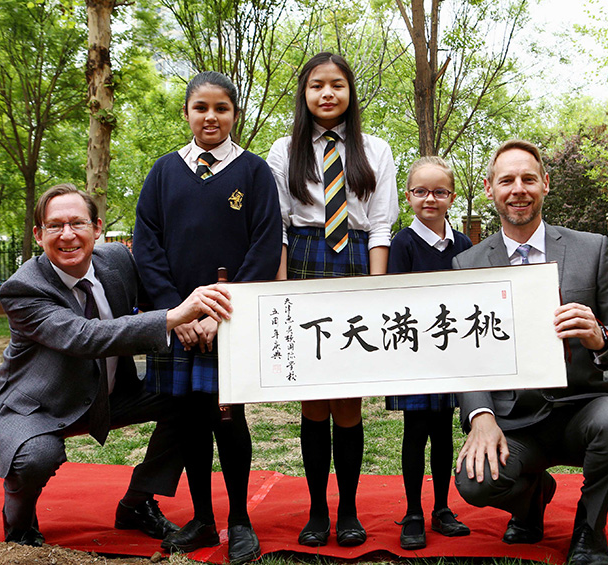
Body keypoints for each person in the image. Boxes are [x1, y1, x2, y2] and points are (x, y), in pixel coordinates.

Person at [0, 184, 233, 547]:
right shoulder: (23, 288)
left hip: (113, 394)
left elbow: (160, 296)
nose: (67, 235)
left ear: (97, 228)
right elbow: (84, 337)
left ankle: (136, 503)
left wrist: (197, 315)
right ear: (38, 235)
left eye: (77, 223)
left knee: (191, 396)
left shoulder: (117, 260)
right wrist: (176, 315)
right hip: (38, 405)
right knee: (36, 458)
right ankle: (18, 521)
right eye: (54, 226)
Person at [452, 139, 608, 565]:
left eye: (527, 178)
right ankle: (532, 503)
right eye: (506, 180)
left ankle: (589, 531)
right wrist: (480, 418)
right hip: (513, 419)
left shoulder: (590, 249)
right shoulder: (467, 265)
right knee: (474, 479)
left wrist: (600, 337)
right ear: (490, 189)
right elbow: (464, 357)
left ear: (545, 183)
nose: (517, 189)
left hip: (583, 406)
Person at [133, 71, 281, 564]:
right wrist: (179, 313)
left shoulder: (254, 172)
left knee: (229, 420)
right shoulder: (162, 172)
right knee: (190, 421)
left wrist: (219, 312)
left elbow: (263, 246)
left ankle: (239, 519)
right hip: (178, 322)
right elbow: (148, 247)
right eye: (201, 108)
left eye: (221, 108)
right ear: (187, 113)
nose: (210, 117)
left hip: (230, 323)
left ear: (234, 113)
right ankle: (201, 518)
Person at [266, 51, 399, 548]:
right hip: (302, 260)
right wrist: (281, 291)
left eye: (337, 84)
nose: (327, 93)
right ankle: (317, 510)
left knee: (348, 400)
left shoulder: (376, 148)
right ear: (304, 93)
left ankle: (348, 510)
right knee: (313, 400)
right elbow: (275, 224)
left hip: (357, 261)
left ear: (350, 91)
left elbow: (382, 222)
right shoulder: (284, 150)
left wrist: (377, 290)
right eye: (317, 85)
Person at [385, 156, 472, 549]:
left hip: (451, 352)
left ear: (451, 197)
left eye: (439, 191)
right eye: (421, 191)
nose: (430, 199)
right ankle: (413, 512)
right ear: (409, 196)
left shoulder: (464, 244)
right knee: (415, 432)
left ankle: (441, 508)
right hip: (413, 354)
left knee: (443, 433)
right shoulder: (401, 243)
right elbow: (396, 300)